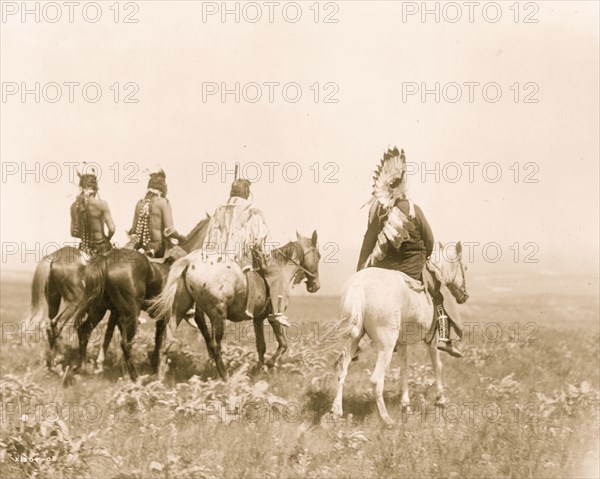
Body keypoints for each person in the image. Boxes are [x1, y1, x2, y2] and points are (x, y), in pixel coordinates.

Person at [356, 147, 461, 357]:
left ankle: (356, 339)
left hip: (383, 266)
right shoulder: (414, 209)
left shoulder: (378, 212)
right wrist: (426, 260)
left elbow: (367, 244)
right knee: (438, 293)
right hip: (412, 267)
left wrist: (361, 271)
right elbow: (430, 241)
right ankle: (443, 337)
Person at [202, 178, 291, 327]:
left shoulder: (219, 209)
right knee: (276, 273)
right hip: (240, 257)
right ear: (247, 192)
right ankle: (276, 312)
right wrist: (265, 254)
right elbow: (260, 237)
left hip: (215, 256)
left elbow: (210, 235)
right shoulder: (251, 211)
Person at [127, 170, 187, 258]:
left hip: (140, 248)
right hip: (157, 249)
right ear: (163, 186)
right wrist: (181, 238)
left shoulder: (140, 203)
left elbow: (133, 232)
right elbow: (169, 231)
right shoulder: (163, 202)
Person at [70, 170, 115, 258]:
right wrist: (108, 238)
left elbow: (73, 233)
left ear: (81, 188)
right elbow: (112, 228)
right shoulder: (102, 204)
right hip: (102, 248)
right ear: (95, 189)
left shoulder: (74, 206)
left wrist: (85, 236)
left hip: (84, 249)